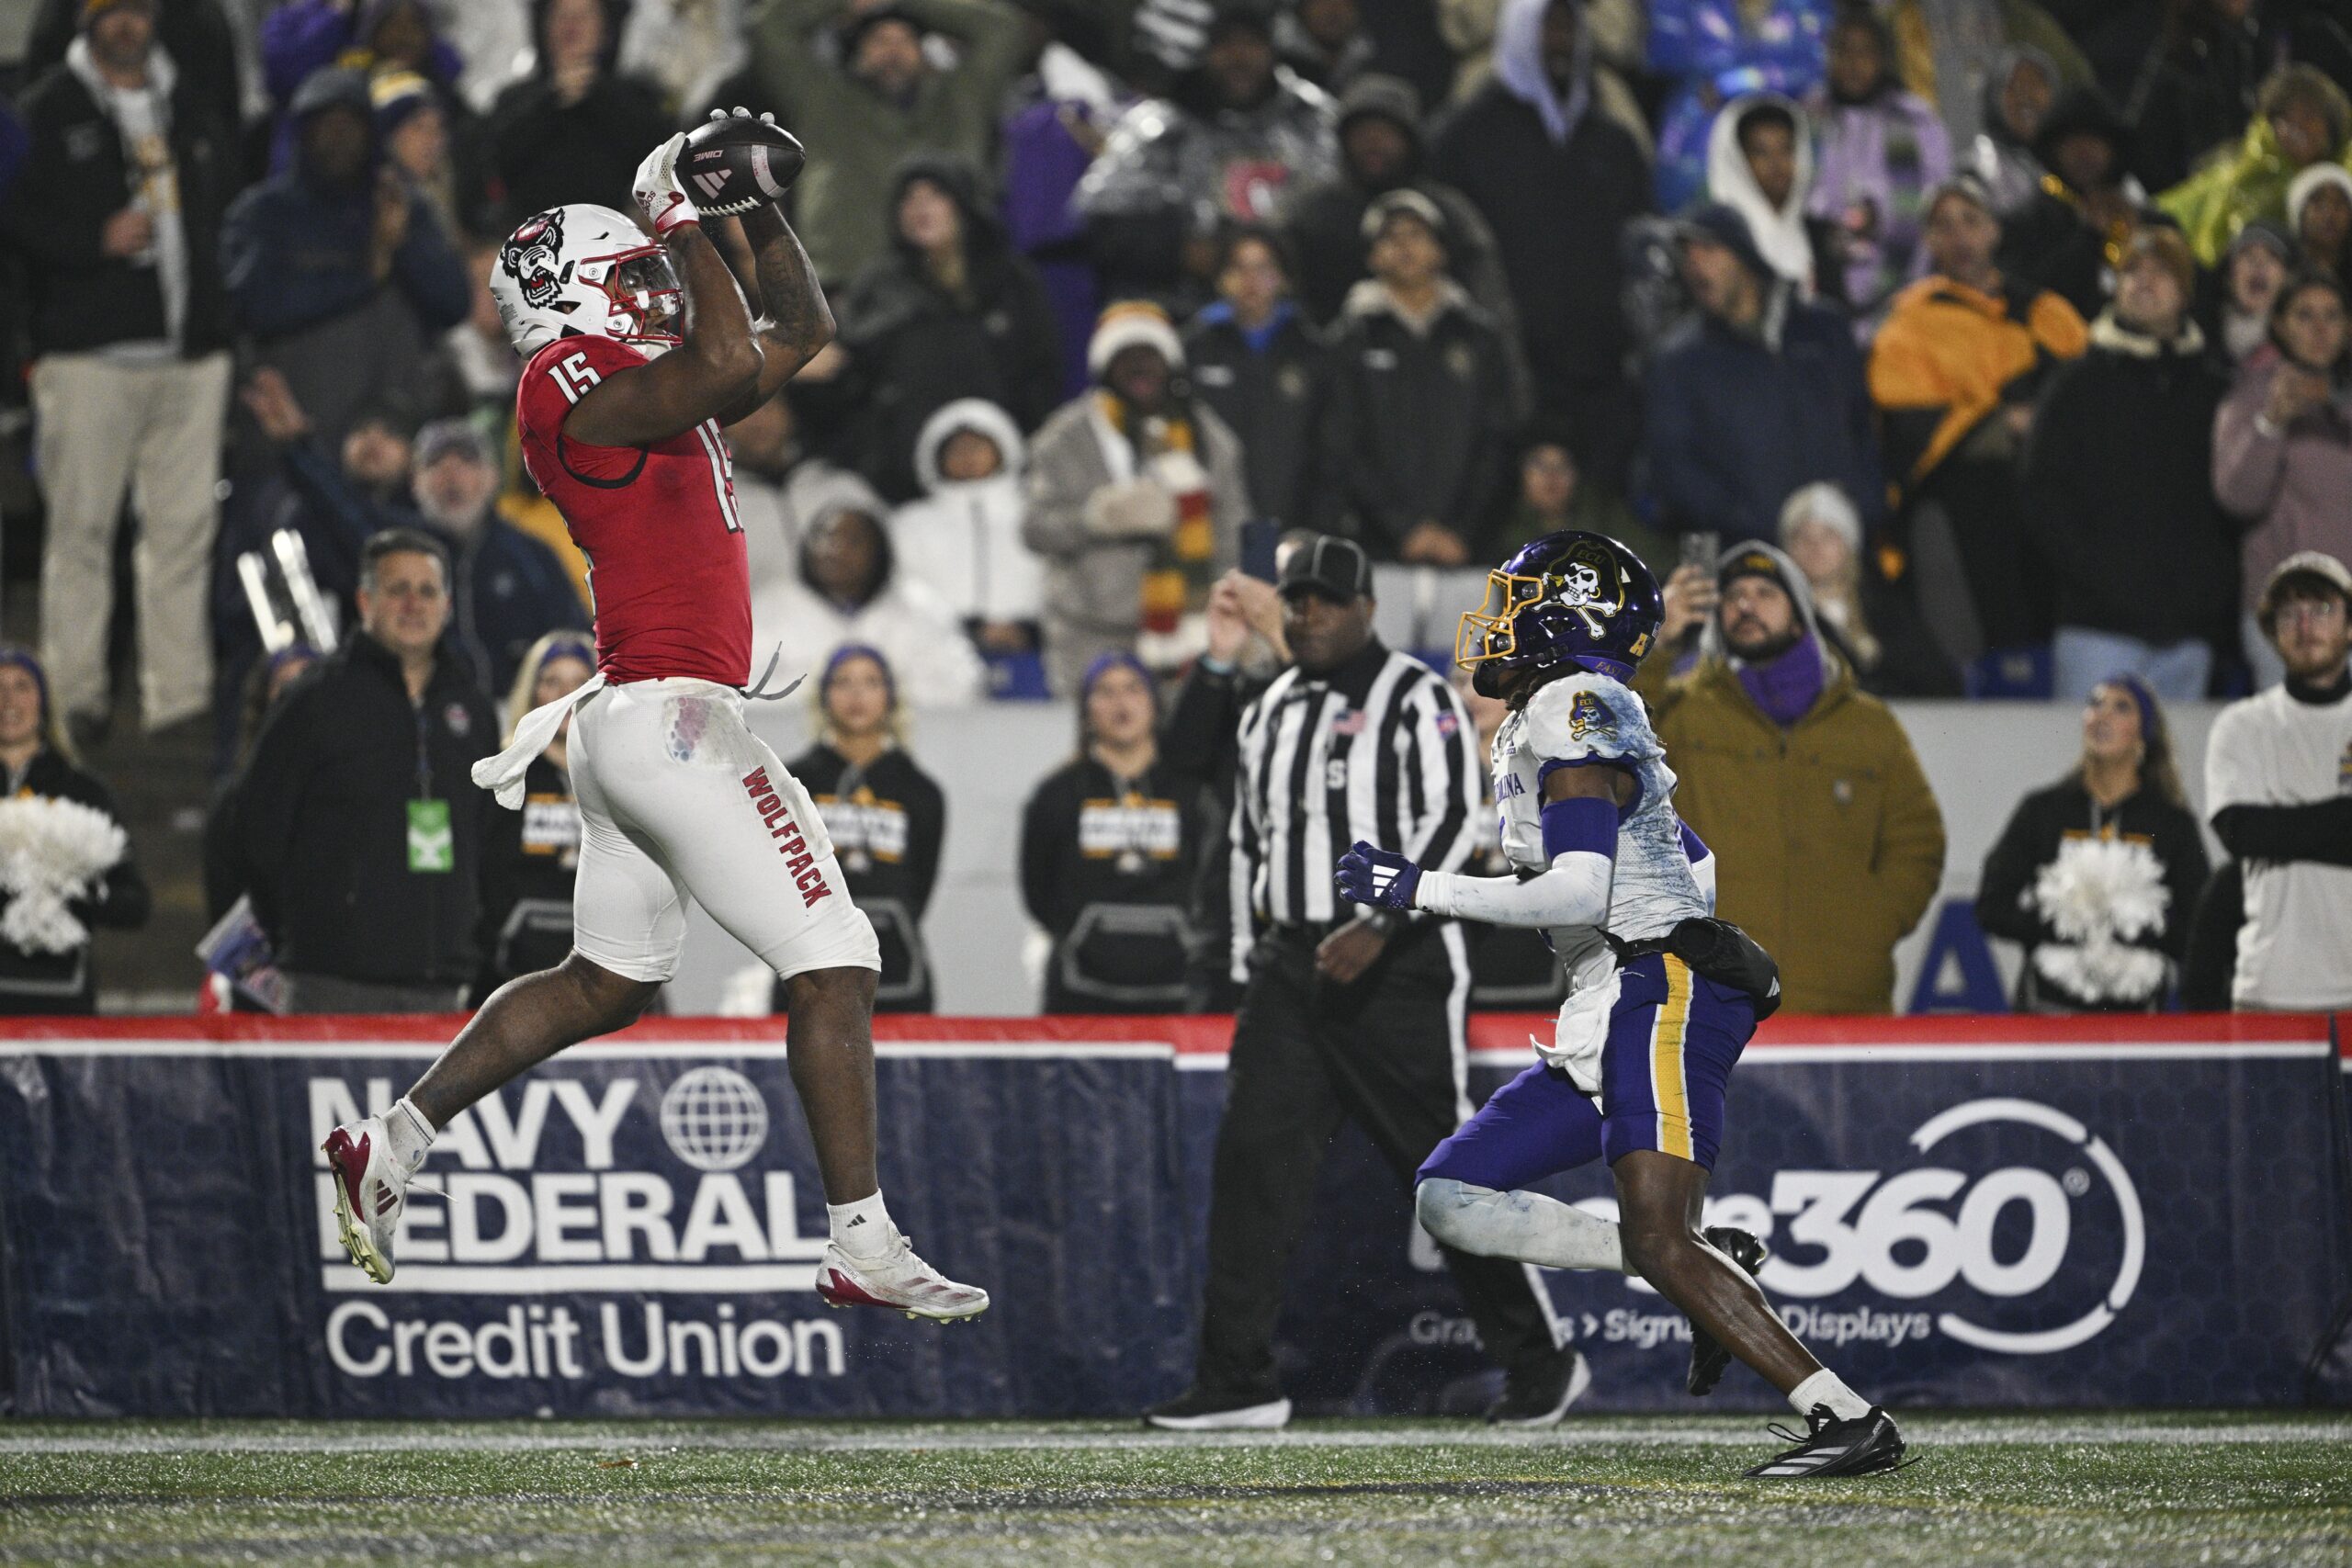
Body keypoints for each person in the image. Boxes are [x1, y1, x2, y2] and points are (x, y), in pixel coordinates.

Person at [318, 129, 989, 1325]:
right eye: (627, 274)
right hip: (672, 718)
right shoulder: (563, 382)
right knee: (836, 955)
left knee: (606, 979)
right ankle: (861, 1236)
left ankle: (395, 1135)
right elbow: (732, 350)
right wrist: (677, 209)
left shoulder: (633, 377)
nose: (650, 292)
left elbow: (803, 331)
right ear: (562, 291)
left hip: (642, 719)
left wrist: (754, 208)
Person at [1339, 531, 1907, 1479]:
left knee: (1655, 1233)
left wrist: (1417, 888)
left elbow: (1577, 893)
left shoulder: (1576, 702)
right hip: (1618, 997)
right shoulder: (1555, 715)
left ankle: (1847, 1418)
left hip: (1658, 986)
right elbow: (1687, 858)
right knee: (1452, 1196)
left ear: (1572, 614)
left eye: (1519, 601)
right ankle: (1704, 1255)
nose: (1499, 622)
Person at [1147, 534, 1580, 1431]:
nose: (1305, 615)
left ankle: (1539, 1363)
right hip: (1288, 965)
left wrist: (1382, 920)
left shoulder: (1415, 694)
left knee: (1444, 1179)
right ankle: (1239, 1379)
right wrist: (1246, 959)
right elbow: (1245, 840)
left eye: (1323, 602)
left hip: (1397, 969)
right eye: (1295, 601)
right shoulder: (1268, 708)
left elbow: (1456, 809)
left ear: (1365, 610)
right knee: (1250, 1169)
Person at [7, 0, 236, 741]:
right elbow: (10, 222)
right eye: (110, 7)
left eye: (138, 7)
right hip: (86, 357)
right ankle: (73, 699)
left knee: (183, 533)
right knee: (80, 532)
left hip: (191, 354)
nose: (127, 21)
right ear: (83, 17)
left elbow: (218, 214)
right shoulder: (43, 109)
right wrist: (88, 240)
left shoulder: (187, 101)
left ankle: (179, 701)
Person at [1641, 542, 1947, 1012]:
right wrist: (1657, 641)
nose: (1746, 605)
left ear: (1801, 614)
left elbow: (1918, 840)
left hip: (1844, 998)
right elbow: (1613, 739)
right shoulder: (1684, 709)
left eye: (1765, 592)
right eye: (1733, 595)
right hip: (1714, 993)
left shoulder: (1869, 724)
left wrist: (1871, 926)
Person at [231, 529, 498, 1013]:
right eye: (397, 590)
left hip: (444, 987)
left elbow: (488, 838)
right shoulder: (313, 701)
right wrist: (301, 932)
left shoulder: (472, 709)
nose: (413, 604)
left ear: (448, 605)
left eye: (427, 591)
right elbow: (256, 830)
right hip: (330, 985)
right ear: (364, 600)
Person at [1868, 174, 2087, 673]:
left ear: (1995, 230)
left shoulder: (2047, 314)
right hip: (1961, 507)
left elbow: (2089, 402)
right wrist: (1999, 422)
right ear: (1928, 241)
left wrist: (2041, 422)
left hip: (2051, 502)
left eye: (1971, 220)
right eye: (1943, 225)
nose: (1959, 236)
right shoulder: (1910, 322)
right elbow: (1908, 430)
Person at [1430, 0, 1649, 495]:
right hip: (1505, 366)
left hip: (1598, 369)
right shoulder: (1467, 134)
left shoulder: (1612, 142)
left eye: (1570, 26)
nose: (1560, 41)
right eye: (1547, 25)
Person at [219, 66, 469, 457]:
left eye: (350, 124)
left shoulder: (401, 206)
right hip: (290, 437)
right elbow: (253, 307)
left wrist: (401, 244)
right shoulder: (263, 214)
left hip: (392, 437)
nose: (338, 138)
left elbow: (454, 304)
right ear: (302, 131)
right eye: (325, 124)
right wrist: (364, 276)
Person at [2027, 224, 2233, 700]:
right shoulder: (2074, 385)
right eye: (2131, 272)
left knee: (2172, 774)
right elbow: (2041, 498)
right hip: (2097, 631)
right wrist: (2101, 585)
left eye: (2161, 272)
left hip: (2188, 637)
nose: (2143, 282)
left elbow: (2232, 510)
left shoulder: (2214, 392)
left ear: (2185, 292)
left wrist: (2205, 601)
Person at [1023, 302, 1249, 690]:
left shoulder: (1209, 439)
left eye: (1151, 356)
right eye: (1125, 356)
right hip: (1089, 635)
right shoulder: (1063, 439)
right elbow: (1035, 528)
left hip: (1189, 633)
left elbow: (1234, 532)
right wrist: (1096, 517)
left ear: (1171, 365)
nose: (1140, 367)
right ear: (1105, 367)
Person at [746, 0, 1031, 284]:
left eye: (906, 40)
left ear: (924, 50)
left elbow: (1004, 28)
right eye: (879, 40)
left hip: (953, 286)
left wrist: (912, 3)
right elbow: (770, 29)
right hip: (845, 287)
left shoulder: (960, 100)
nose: (893, 52)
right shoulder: (821, 101)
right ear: (857, 52)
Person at [1076, 0, 1340, 305]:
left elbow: (1349, 214)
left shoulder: (1314, 120)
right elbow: (1099, 224)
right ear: (1204, 53)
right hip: (1184, 313)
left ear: (1272, 51)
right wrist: (1178, 252)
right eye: (1225, 45)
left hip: (1303, 311)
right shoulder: (1161, 128)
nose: (1238, 57)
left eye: (1251, 44)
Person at [1645, 204, 1882, 545]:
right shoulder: (1678, 362)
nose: (1695, 264)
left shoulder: (1825, 329)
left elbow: (1864, 428)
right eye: (1688, 254)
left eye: (1708, 249)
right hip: (1753, 566)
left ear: (1744, 255)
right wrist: (1753, 525)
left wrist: (1863, 508)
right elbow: (1677, 472)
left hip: (1843, 553)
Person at [834, 154, 1064, 502]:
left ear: (963, 205)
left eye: (935, 195)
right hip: (905, 487)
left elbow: (1042, 372)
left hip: (1010, 479)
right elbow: (852, 377)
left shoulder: (1012, 282)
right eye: (908, 198)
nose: (919, 207)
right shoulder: (877, 287)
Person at [1975, 675, 2208, 1012]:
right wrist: (2061, 926)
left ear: (2143, 735)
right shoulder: (2042, 810)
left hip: (2138, 1019)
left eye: (2121, 708)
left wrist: (2134, 931)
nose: (2102, 715)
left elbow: (2200, 926)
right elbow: (1991, 905)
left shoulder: (2172, 823)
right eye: (2095, 704)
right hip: (2047, 1010)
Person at [1321, 190, 1515, 565]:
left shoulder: (1479, 339)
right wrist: (1402, 527)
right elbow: (1340, 446)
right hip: (1378, 554)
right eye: (1390, 237)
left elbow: (1497, 444)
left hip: (1468, 552)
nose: (1405, 246)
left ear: (1441, 251)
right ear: (1372, 256)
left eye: (1417, 234)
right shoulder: (1349, 340)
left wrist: (1463, 531)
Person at [2203, 551, 2352, 1013]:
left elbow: (2264, 832)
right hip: (2271, 992)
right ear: (2271, 632)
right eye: (2290, 613)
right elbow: (2241, 832)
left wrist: (2282, 827)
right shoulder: (2243, 725)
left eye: (2322, 608)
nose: (2305, 624)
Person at [1020, 652, 1203, 1011]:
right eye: (1105, 692)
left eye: (1133, 689)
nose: (1121, 703)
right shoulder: (1057, 793)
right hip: (1081, 991)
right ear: (1087, 712)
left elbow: (1209, 878)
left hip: (1176, 989)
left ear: (1154, 704)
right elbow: (1037, 891)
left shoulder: (1192, 792)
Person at [1275, 73, 1518, 337]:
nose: (1373, 144)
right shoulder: (1314, 214)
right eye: (1362, 133)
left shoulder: (1448, 212)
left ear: (1410, 140)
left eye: (1385, 133)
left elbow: (1491, 308)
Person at [775, 647, 947, 1013]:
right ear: (822, 695)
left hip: (898, 971)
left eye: (870, 682)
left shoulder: (921, 791)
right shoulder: (789, 781)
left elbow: (921, 885)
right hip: (807, 963)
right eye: (843, 682)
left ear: (891, 697)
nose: (856, 696)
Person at [2214, 270, 2352, 689]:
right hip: (2288, 613)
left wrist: (2334, 400)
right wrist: (2270, 423)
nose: (2320, 329)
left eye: (2332, 316)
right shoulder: (2250, 397)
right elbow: (2237, 497)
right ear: (2279, 325)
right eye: (2304, 315)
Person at [0, 648, 149, 1014]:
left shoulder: (84, 792)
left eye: (22, 686)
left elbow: (134, 903)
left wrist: (70, 890)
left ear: (44, 701)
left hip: (62, 999)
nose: (8, 700)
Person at [752, 474, 986, 706]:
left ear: (879, 550)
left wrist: (881, 691)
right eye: (824, 538)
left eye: (853, 541)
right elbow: (742, 691)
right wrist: (828, 689)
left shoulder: (920, 605)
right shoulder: (769, 606)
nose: (835, 550)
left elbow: (964, 686)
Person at [1182, 225, 1333, 532]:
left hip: (1284, 526)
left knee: (1265, 577)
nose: (1251, 280)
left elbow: (1331, 452)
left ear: (1284, 278)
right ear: (1223, 278)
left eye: (1263, 268)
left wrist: (1313, 528)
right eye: (1239, 267)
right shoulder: (1193, 350)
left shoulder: (1313, 354)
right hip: (1209, 527)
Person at [1807, 3, 1951, 319]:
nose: (1854, 63)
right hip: (1826, 291)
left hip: (1907, 289)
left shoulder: (1915, 120)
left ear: (1884, 58)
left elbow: (1938, 204)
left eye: (1865, 52)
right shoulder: (1811, 118)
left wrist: (1881, 213)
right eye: (1843, 51)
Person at [475, 632, 596, 998]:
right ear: (531, 693)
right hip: (510, 980)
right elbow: (480, 881)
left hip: (601, 977)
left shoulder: (618, 780)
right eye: (551, 682)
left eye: (579, 683)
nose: (565, 696)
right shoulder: (503, 776)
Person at [888, 399, 1045, 675]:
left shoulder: (1036, 516)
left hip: (1031, 655)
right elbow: (901, 590)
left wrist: (1027, 630)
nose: (967, 456)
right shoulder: (910, 523)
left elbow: (1056, 584)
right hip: (936, 662)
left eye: (977, 446)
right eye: (955, 449)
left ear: (1002, 449)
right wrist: (967, 631)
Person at [485, 0, 673, 225]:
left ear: (606, 29)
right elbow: (492, 158)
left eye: (583, 17)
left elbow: (661, 156)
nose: (571, 26)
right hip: (533, 240)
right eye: (561, 16)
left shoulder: (637, 96)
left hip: (617, 239)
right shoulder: (514, 100)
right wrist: (552, 98)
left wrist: (595, 92)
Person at [1645, 0, 1833, 215]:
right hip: (1701, 129)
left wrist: (1735, 82)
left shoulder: (1806, 6)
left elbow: (1817, 69)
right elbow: (1664, 57)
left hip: (1785, 124)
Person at [2161, 64, 2352, 268]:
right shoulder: (2241, 175)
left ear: (2330, 126)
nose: (2298, 127)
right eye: (2287, 118)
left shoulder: (2344, 179)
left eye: (2309, 116)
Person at [1778, 481, 1959, 696]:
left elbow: (1939, 679)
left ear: (1849, 545)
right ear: (1787, 550)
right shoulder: (1779, 617)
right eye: (1802, 537)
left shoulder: (1886, 608)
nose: (1815, 547)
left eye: (1828, 535)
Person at [1996, 85, 2143, 322]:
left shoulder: (2145, 218)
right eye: (2072, 143)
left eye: (2094, 141)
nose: (2084, 153)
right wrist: (2090, 237)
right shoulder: (2026, 223)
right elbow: (2027, 295)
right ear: (2053, 151)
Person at [1705, 95, 1845, 302]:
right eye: (1761, 152)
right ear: (1736, 162)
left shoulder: (1819, 237)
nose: (1777, 164)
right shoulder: (1713, 244)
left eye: (1786, 149)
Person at [1966, 45, 2056, 219]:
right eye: (2014, 86)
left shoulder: (2069, 163)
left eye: (2036, 85)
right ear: (1994, 98)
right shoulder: (1977, 170)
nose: (2025, 96)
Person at [2202, 220, 2294, 368]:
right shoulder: (2199, 339)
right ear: (2229, 276)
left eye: (2272, 256)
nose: (2259, 263)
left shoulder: (2301, 347)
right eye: (2248, 254)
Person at [2288, 162, 2352, 291]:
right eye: (2318, 204)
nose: (2330, 214)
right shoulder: (2284, 272)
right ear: (2300, 213)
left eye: (2338, 204)